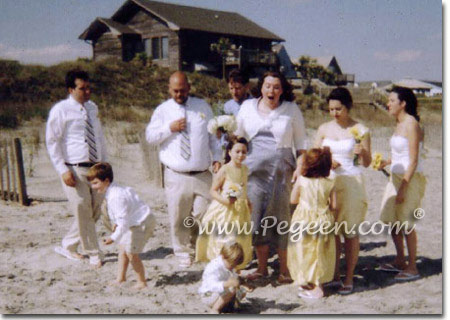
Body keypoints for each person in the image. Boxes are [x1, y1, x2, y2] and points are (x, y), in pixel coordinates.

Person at [235, 71, 307, 283]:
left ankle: (284, 270)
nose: (271, 91)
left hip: (282, 172)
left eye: (276, 87)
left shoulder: (291, 109)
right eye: (267, 86)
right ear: (261, 87)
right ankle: (262, 268)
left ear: (282, 90)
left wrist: (300, 170)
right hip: (253, 172)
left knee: (281, 220)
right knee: (256, 219)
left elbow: (302, 144)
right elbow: (237, 136)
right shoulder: (247, 107)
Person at [146, 71, 222, 267]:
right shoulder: (163, 110)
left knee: (203, 212)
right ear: (169, 89)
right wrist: (169, 128)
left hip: (202, 173)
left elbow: (213, 136)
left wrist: (218, 158)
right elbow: (150, 137)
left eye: (182, 90)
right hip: (176, 174)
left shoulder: (202, 106)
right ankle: (182, 252)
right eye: (175, 91)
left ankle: (198, 245)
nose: (179, 94)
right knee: (178, 215)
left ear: (189, 88)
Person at [46, 69, 107, 268]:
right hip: (75, 168)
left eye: (89, 88)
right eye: (82, 88)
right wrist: (63, 170)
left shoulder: (92, 108)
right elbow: (52, 141)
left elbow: (98, 137)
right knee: (82, 207)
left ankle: (69, 245)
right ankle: (93, 252)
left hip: (96, 167)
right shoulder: (61, 110)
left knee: (94, 210)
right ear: (71, 89)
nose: (87, 92)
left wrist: (104, 164)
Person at [313, 87, 372, 294]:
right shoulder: (323, 129)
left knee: (350, 231)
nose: (334, 113)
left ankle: (349, 277)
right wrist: (328, 162)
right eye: (331, 109)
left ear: (347, 107)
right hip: (330, 182)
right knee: (331, 231)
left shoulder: (360, 129)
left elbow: (366, 163)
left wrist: (362, 152)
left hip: (351, 181)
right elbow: (314, 158)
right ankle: (334, 274)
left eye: (338, 109)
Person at [377, 86, 426, 281]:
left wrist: (403, 187)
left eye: (391, 101)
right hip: (395, 178)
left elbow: (413, 160)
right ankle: (399, 260)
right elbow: (400, 153)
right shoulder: (399, 123)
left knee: (407, 222)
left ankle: (413, 266)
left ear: (403, 103)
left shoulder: (412, 124)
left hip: (410, 179)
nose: (387, 104)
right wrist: (386, 162)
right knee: (393, 219)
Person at [87, 163, 155, 289]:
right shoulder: (113, 190)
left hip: (141, 223)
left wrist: (113, 237)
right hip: (131, 221)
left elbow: (123, 220)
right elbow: (121, 215)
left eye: (96, 183)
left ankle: (141, 282)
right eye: (92, 183)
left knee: (131, 253)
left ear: (106, 181)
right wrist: (117, 224)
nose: (93, 187)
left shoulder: (115, 196)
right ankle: (121, 278)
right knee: (122, 249)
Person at [195, 137, 252, 271]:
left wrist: (248, 201)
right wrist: (226, 201)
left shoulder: (245, 169)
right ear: (229, 152)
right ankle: (221, 268)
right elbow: (213, 191)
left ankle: (235, 269)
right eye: (237, 151)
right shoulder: (225, 169)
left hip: (240, 209)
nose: (240, 155)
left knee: (239, 239)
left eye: (244, 152)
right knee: (226, 239)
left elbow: (243, 188)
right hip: (226, 210)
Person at [287, 147, 336, 299]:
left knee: (304, 251)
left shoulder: (302, 181)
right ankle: (317, 281)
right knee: (320, 252)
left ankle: (314, 286)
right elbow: (334, 205)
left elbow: (293, 200)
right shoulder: (330, 183)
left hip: (303, 220)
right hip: (323, 219)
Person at [198, 242, 245, 314]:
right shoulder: (214, 266)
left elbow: (234, 277)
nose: (233, 267)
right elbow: (211, 285)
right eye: (232, 265)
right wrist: (226, 284)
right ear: (223, 257)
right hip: (208, 295)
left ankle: (227, 306)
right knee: (231, 290)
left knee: (241, 291)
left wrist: (243, 281)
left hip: (218, 294)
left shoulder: (227, 265)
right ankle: (215, 309)